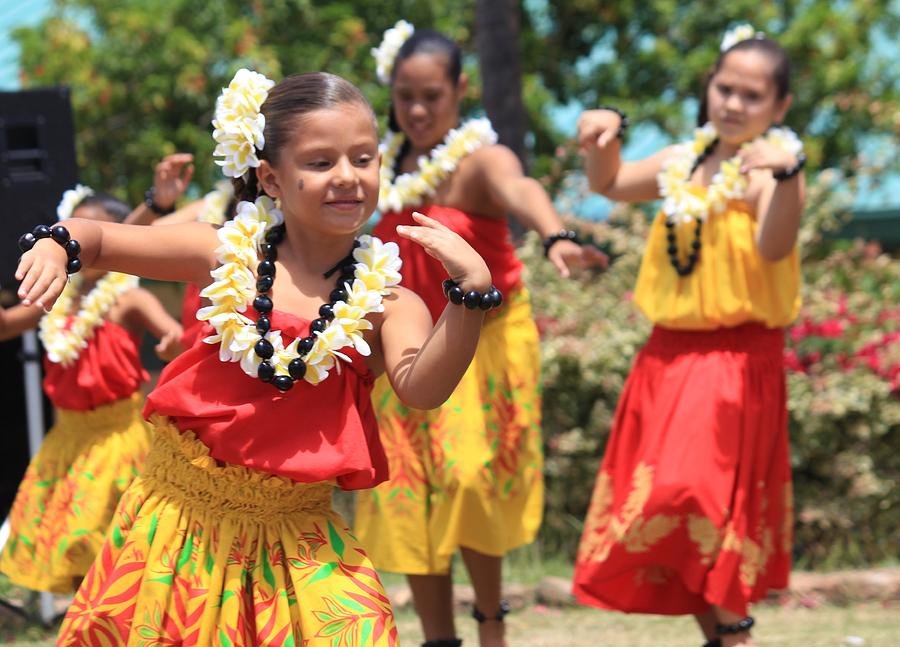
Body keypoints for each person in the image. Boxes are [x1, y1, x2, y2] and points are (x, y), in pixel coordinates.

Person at [16, 69, 497, 646]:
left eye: (363, 158)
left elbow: (422, 387)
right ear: (271, 177)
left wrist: (470, 291)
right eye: (320, 162)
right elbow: (97, 239)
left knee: (361, 631)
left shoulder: (388, 301)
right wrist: (56, 243)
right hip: (182, 523)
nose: (347, 177)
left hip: (301, 536)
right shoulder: (224, 254)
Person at [354, 22, 606, 647]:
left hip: (486, 340)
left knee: (467, 478)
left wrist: (555, 234)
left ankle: (491, 623)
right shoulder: (381, 164)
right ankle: (438, 637)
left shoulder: (477, 159)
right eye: (405, 95)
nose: (416, 110)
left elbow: (519, 186)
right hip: (407, 341)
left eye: (432, 96)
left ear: (461, 89)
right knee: (410, 489)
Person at [572, 25, 805, 647]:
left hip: (734, 360)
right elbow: (610, 183)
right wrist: (602, 136)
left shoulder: (767, 174)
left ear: (780, 107)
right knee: (665, 511)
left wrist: (788, 176)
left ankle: (736, 633)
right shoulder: (684, 160)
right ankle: (726, 637)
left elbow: (776, 244)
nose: (732, 103)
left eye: (752, 96)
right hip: (667, 356)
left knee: (695, 494)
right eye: (724, 88)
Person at [0, 188, 182, 594]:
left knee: (100, 542)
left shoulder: (128, 300)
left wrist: (173, 345)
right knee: (71, 550)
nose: (72, 247)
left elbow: (176, 337)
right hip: (67, 440)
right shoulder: (56, 297)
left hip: (117, 439)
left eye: (81, 238)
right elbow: (7, 326)